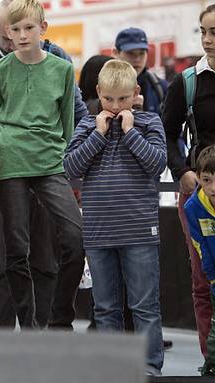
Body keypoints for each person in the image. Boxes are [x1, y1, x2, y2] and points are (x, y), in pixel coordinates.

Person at [0, 0, 87, 328]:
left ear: (43, 28)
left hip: (51, 165)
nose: (22, 34)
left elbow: (69, 120)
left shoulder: (62, 68)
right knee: (13, 251)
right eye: (15, 29)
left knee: (74, 238)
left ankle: (58, 322)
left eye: (29, 27)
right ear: (4, 31)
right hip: (9, 165)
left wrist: (59, 153)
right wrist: (9, 149)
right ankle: (28, 326)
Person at [64, 59, 166, 375]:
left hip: (139, 231)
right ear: (98, 93)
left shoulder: (149, 123)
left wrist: (130, 132)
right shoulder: (86, 126)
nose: (116, 106)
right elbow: (70, 169)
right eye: (109, 99)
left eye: (123, 99)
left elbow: (157, 165)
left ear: (136, 93)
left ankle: (149, 366)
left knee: (144, 307)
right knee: (105, 307)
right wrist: (97, 136)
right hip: (98, 233)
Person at [163, 3, 215, 365]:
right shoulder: (188, 81)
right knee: (203, 281)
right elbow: (166, 134)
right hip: (200, 197)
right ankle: (210, 358)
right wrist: (182, 170)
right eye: (204, 32)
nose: (209, 40)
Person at [185, 145, 215, 376]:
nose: (213, 188)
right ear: (197, 177)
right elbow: (199, 245)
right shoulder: (193, 207)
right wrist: (212, 276)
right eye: (207, 180)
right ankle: (211, 363)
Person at [114, 27, 168, 115]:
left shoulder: (160, 87)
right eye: (130, 53)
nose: (137, 59)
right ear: (116, 53)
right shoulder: (104, 84)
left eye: (142, 53)